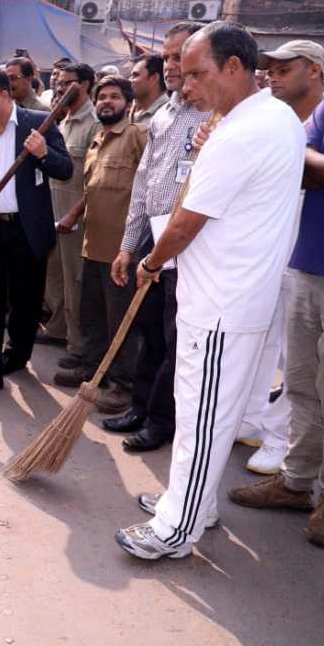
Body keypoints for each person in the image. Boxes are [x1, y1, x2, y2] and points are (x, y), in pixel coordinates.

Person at [115, 22, 306, 561]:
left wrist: (152, 261)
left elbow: (186, 222)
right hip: (231, 296)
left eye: (197, 74)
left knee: (202, 417)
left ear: (235, 68)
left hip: (222, 301)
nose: (185, 85)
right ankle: (191, 503)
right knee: (206, 410)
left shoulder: (244, 132)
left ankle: (175, 530)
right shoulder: (266, 117)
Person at [227, 44, 324, 548]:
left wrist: (319, 164)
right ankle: (298, 481)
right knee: (301, 386)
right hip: (307, 265)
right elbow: (298, 163)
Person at [103, 22, 211, 453]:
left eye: (178, 56)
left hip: (189, 244)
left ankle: (163, 421)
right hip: (153, 238)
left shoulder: (216, 117)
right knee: (148, 329)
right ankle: (141, 407)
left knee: (174, 337)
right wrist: (130, 246)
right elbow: (144, 185)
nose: (170, 65)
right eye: (165, 56)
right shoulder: (165, 114)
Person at [230, 40, 324, 475]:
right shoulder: (275, 116)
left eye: (284, 69)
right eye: (269, 68)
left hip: (313, 251)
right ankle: (250, 419)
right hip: (270, 244)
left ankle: (281, 438)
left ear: (313, 69)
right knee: (262, 336)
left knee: (298, 353)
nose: (272, 75)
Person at [0, 67, 72, 396]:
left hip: (27, 229)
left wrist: (43, 153)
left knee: (26, 301)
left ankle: (17, 355)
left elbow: (65, 169)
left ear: (4, 96)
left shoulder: (38, 123)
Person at [55, 75, 147, 413]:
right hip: (92, 244)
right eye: (102, 97)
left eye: (114, 96)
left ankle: (122, 386)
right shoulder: (97, 139)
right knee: (92, 314)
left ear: (128, 102)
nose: (107, 102)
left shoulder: (138, 137)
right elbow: (92, 189)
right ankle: (92, 369)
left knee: (120, 319)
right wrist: (73, 215)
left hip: (122, 250)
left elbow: (147, 192)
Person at [44, 63, 99, 370]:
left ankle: (78, 345)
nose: (62, 87)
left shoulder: (93, 123)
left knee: (74, 281)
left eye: (70, 83)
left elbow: (94, 181)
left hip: (75, 219)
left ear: (87, 85)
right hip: (53, 212)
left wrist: (74, 214)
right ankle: (57, 329)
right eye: (60, 82)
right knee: (56, 277)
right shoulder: (63, 121)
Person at [129, 54, 169, 126]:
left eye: (135, 75)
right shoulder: (126, 110)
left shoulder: (169, 115)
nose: (130, 80)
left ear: (154, 78)